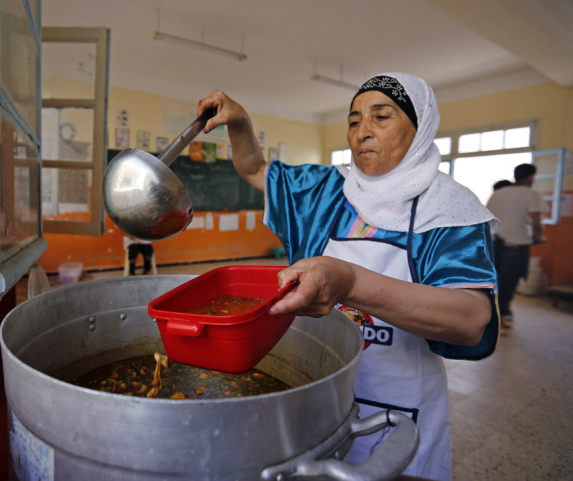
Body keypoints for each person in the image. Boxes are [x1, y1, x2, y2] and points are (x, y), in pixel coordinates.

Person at [197, 73, 500, 481]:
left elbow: (469, 320)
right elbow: (253, 166)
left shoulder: (450, 209)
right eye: (354, 120)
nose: (363, 132)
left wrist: (351, 283)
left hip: (399, 410)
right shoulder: (324, 190)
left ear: (420, 126)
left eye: (381, 117)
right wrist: (240, 123)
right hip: (316, 391)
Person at [486, 164, 545, 329]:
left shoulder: (497, 194)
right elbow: (535, 221)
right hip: (516, 245)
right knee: (509, 281)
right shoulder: (531, 194)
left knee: (493, 280)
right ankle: (502, 314)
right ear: (530, 177)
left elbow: (488, 219)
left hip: (494, 243)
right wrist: (538, 237)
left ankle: (488, 313)